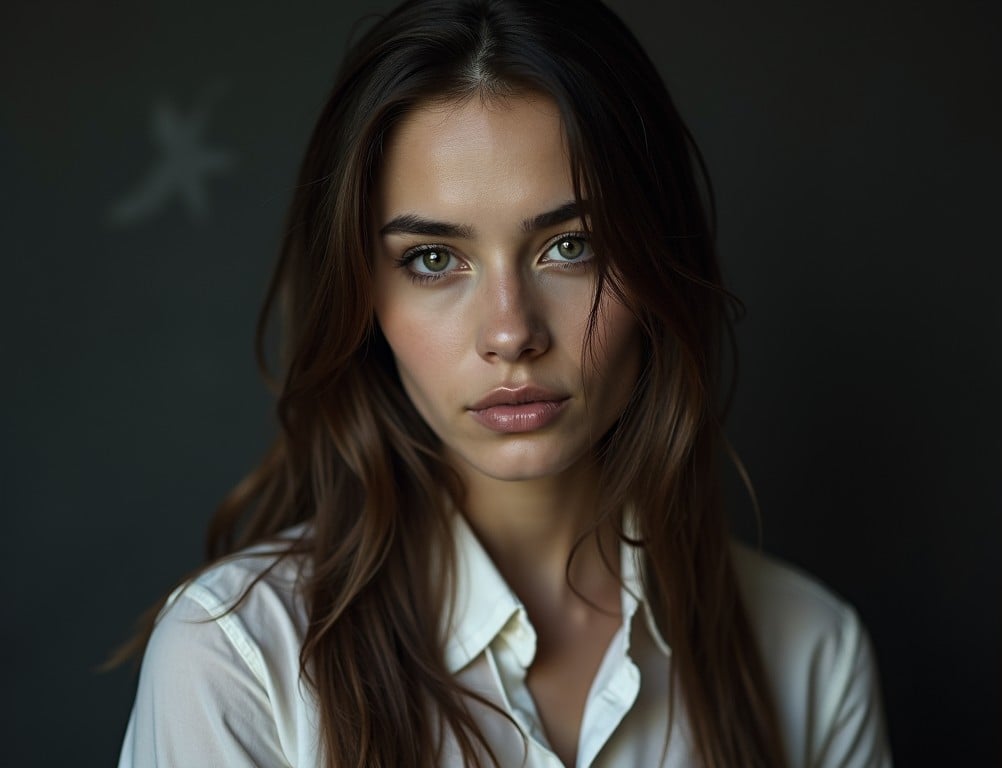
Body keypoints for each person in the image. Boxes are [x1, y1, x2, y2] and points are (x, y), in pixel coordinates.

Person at [117, 0, 892, 765]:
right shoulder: (240, 662)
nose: (510, 331)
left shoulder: (809, 655)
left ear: (661, 264)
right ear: (363, 300)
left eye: (571, 246)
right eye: (432, 258)